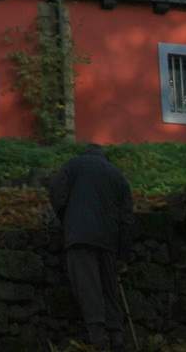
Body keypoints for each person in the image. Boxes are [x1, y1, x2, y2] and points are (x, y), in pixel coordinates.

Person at [48, 143, 136, 351]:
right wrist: (124, 254)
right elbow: (127, 219)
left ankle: (99, 338)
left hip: (79, 235)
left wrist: (65, 219)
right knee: (109, 287)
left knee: (89, 288)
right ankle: (117, 335)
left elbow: (56, 193)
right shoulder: (117, 175)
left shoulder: (73, 165)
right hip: (109, 239)